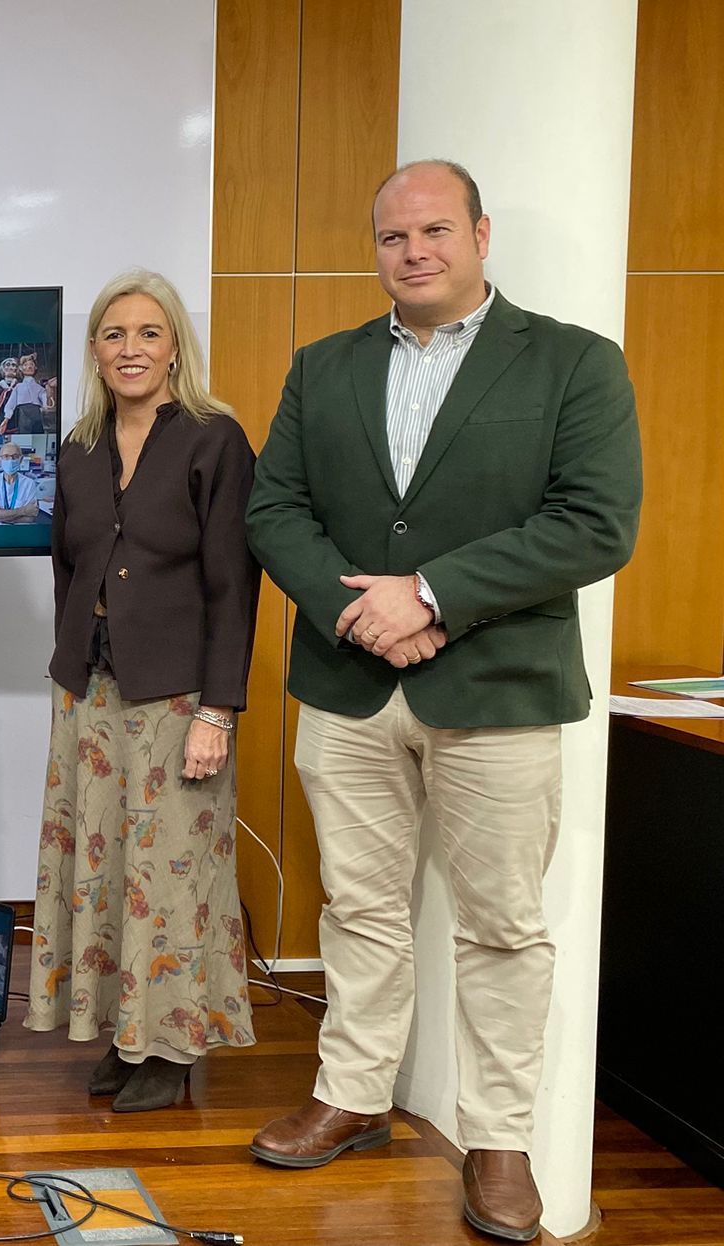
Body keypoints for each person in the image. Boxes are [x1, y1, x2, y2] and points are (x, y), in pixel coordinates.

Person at [244, 160, 641, 1242]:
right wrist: (360, 613)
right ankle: (353, 1095)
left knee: (502, 925)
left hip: (498, 692)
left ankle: (498, 1136)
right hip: (346, 686)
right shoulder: (320, 368)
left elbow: (594, 523)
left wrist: (428, 596)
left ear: (477, 233)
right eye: (390, 237)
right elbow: (272, 508)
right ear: (371, 250)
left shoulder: (571, 363)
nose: (411, 251)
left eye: (432, 230)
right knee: (359, 908)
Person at [27, 268, 260, 1113]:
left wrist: (217, 709)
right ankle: (125, 1031)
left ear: (174, 348)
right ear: (94, 349)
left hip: (177, 699)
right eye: (114, 334)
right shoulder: (78, 448)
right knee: (100, 867)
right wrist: (69, 669)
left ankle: (172, 1046)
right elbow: (67, 570)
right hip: (87, 692)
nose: (132, 349)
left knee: (169, 871)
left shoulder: (213, 440)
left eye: (149, 333)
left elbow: (235, 584)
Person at [0, 441, 43, 524]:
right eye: (6, 456)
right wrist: (24, 510)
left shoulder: (29, 484)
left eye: (15, 456)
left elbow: (30, 519)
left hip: (20, 533)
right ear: (0, 459)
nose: (10, 460)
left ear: (21, 459)